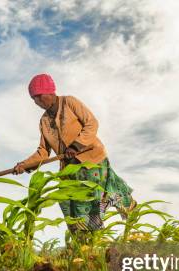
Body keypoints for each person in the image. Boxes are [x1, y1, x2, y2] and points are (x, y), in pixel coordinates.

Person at [13, 73, 136, 233]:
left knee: (91, 199)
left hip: (91, 160)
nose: (37, 102)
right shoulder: (44, 121)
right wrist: (24, 165)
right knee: (67, 201)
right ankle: (84, 239)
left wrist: (76, 146)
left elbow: (91, 123)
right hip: (69, 169)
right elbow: (43, 151)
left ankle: (94, 233)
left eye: (39, 96)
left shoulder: (69, 102)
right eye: (33, 99)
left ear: (50, 92)